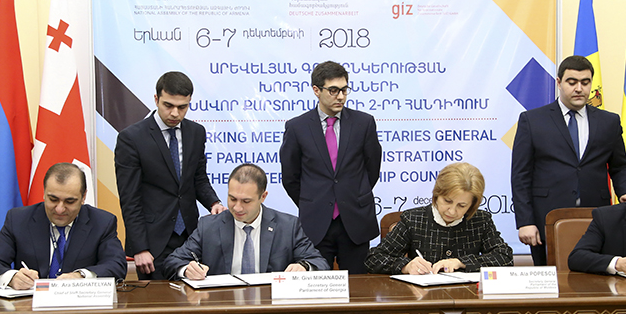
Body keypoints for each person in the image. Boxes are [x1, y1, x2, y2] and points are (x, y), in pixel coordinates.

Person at [511, 55, 626, 266]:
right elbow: (520, 175)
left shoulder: (609, 121)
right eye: (572, 82)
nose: (579, 88)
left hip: (597, 216)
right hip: (546, 218)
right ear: (559, 82)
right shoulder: (532, 120)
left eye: (585, 82)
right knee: (550, 284)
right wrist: (525, 221)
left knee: (595, 280)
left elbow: (620, 165)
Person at [115, 71, 224, 280]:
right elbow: (130, 198)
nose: (175, 113)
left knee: (196, 302)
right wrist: (140, 248)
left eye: (182, 107)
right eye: (168, 105)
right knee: (158, 307)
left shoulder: (196, 132)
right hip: (153, 242)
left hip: (191, 237)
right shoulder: (131, 138)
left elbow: (198, 178)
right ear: (156, 100)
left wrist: (214, 202)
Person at [280, 61, 382, 274]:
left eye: (345, 89)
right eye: (334, 90)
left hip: (355, 220)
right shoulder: (297, 127)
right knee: (316, 293)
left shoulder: (364, 123)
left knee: (359, 292)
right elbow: (290, 176)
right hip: (316, 222)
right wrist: (312, 200)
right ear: (316, 90)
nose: (341, 96)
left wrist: (353, 193)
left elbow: (372, 168)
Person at [163, 164, 328, 280]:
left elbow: (320, 264)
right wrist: (186, 270)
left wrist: (304, 266)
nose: (237, 207)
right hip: (221, 308)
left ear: (263, 197)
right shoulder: (209, 226)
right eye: (232, 199)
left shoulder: (288, 226)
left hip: (271, 308)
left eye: (246, 201)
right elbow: (172, 262)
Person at [0, 163, 126, 288]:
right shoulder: (19, 219)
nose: (60, 209)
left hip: (80, 311)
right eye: (53, 199)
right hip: (29, 312)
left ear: (83, 197)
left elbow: (116, 265)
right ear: (44, 193)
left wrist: (80, 276)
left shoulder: (102, 222)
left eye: (70, 201)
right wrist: (12, 278)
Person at [366, 162, 513, 275]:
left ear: (472, 205)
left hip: (468, 297)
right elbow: (374, 259)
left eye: (462, 206)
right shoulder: (414, 220)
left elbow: (504, 256)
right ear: (437, 194)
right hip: (423, 300)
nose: (452, 211)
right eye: (447, 201)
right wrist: (406, 266)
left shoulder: (480, 221)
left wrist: (462, 262)